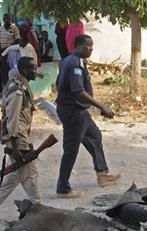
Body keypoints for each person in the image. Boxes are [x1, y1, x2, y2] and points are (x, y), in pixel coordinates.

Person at [55, 34, 120, 198]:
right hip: (73, 111)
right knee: (71, 149)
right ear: (78, 46)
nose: (91, 49)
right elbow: (78, 91)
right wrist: (101, 106)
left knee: (95, 136)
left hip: (77, 111)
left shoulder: (69, 61)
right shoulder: (75, 63)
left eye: (92, 46)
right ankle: (62, 188)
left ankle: (102, 173)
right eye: (87, 46)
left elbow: (59, 84)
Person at [0, 57, 40, 222]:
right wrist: (15, 147)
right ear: (23, 71)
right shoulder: (17, 92)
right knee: (31, 176)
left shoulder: (19, 85)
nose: (36, 72)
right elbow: (12, 119)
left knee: (14, 175)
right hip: (18, 138)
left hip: (20, 136)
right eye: (32, 69)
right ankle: (39, 208)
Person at [0, 14, 19, 87]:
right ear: (3, 19)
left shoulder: (14, 28)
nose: (6, 19)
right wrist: (0, 49)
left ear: (10, 19)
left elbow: (17, 40)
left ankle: (13, 86)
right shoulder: (0, 28)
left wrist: (9, 47)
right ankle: (5, 87)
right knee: (3, 70)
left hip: (11, 52)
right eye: (5, 18)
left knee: (11, 69)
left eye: (8, 18)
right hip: (2, 52)